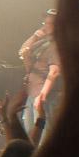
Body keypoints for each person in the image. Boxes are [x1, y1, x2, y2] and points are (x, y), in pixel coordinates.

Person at [18, 8, 61, 137]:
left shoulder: (57, 45)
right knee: (30, 134)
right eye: (45, 23)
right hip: (32, 94)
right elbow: (22, 51)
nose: (46, 26)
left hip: (44, 98)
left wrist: (41, 96)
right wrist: (35, 36)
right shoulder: (43, 43)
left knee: (43, 135)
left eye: (50, 23)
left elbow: (54, 72)